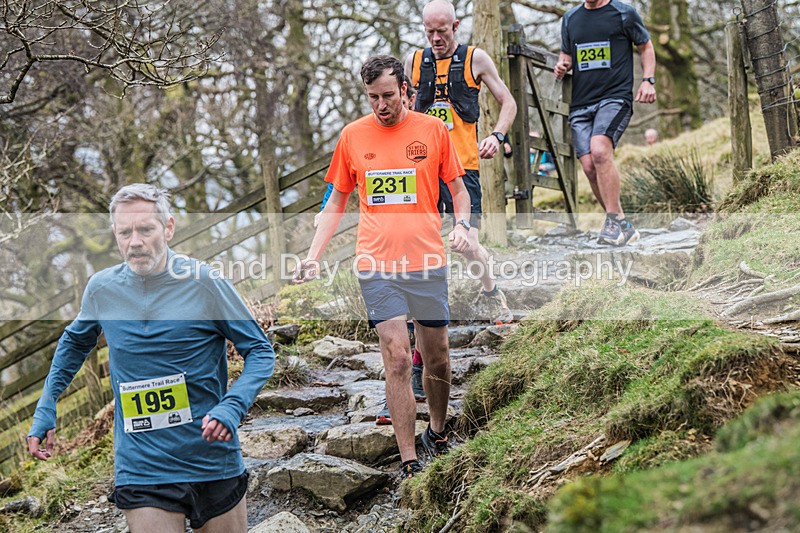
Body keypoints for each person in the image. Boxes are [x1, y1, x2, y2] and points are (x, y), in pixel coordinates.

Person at [27, 184, 275, 533]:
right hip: (142, 464)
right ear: (115, 233)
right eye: (125, 232)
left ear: (168, 227)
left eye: (146, 229)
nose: (135, 241)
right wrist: (47, 406)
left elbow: (260, 351)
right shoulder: (102, 289)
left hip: (210, 456)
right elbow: (73, 342)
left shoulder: (204, 282)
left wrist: (232, 406)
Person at [294, 55, 475, 479]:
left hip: (427, 260)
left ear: (407, 91)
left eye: (389, 95)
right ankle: (409, 458)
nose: (381, 104)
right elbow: (336, 200)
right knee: (395, 357)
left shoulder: (432, 131)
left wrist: (463, 225)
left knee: (438, 359)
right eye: (373, 97)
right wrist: (313, 255)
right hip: (375, 262)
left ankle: (439, 429)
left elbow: (459, 191)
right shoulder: (353, 136)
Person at [406, 0, 517, 324]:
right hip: (423, 170)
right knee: (418, 240)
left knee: (466, 243)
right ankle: (423, 310)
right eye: (430, 32)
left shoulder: (475, 58)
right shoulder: (414, 62)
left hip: (463, 166)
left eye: (442, 31)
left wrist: (496, 136)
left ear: (455, 27)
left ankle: (491, 291)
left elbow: (507, 102)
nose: (435, 38)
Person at [554, 0, 656, 246]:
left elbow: (645, 46)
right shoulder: (570, 18)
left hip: (614, 97)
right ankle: (622, 224)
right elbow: (566, 55)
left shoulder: (624, 14)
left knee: (600, 150)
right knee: (589, 166)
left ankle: (611, 221)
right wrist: (562, 65)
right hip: (581, 102)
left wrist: (648, 80)